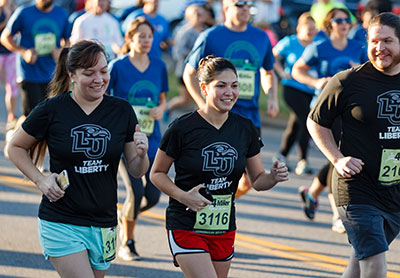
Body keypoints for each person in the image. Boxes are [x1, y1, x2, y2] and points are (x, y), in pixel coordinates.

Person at [6, 40, 149, 277]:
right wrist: (40, 179)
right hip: (62, 221)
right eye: (89, 73)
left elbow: (137, 170)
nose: (99, 79)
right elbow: (15, 147)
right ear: (72, 74)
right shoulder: (53, 109)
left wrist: (142, 154)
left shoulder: (122, 110)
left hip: (104, 223)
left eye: (103, 71)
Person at [150, 55, 288, 278]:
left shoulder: (245, 128)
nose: (229, 92)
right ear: (204, 88)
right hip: (185, 223)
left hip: (223, 227)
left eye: (234, 86)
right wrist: (183, 196)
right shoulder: (182, 128)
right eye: (221, 86)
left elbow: (258, 180)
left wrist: (272, 176)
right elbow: (157, 173)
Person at [306, 12, 400, 278]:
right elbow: (315, 122)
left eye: (388, 41)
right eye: (374, 41)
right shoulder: (348, 81)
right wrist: (337, 158)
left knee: (357, 267)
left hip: (393, 191)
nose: (379, 48)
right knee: (375, 266)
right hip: (356, 187)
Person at [183, 0, 279, 199]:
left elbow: (268, 72)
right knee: (213, 174)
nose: (245, 8)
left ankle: (217, 204)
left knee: (250, 179)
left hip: (249, 117)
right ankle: (204, 205)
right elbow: (189, 73)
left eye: (248, 5)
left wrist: (272, 96)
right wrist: (203, 105)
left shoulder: (260, 37)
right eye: (239, 4)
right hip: (217, 118)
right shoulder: (210, 36)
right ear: (226, 8)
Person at [292, 7, 369, 232]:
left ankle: (312, 192)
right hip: (325, 110)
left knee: (338, 156)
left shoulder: (359, 47)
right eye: (339, 20)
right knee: (338, 156)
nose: (344, 23)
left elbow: (373, 72)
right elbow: (298, 70)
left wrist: (361, 71)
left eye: (347, 20)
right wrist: (315, 82)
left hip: (352, 110)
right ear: (329, 24)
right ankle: (337, 215)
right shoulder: (319, 47)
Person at [107, 17, 168, 261]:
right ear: (129, 38)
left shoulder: (159, 66)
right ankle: (127, 243)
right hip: (125, 142)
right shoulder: (118, 67)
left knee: (152, 196)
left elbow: (162, 97)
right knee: (135, 190)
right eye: (141, 36)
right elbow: (104, 97)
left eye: (149, 36)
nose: (145, 41)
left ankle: (127, 217)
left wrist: (161, 109)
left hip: (152, 138)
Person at [0, 0, 71, 117]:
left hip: (53, 74)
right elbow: (5, 37)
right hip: (29, 73)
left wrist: (61, 52)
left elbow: (68, 40)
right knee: (31, 117)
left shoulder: (62, 14)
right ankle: (16, 132)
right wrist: (23, 52)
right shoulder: (24, 12)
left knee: (52, 115)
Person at [272, 12, 318, 175]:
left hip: (310, 90)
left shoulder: (317, 44)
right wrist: (281, 72)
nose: (312, 32)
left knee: (296, 124)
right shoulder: (289, 42)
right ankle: (303, 161)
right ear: (299, 28)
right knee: (306, 120)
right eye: (308, 29)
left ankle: (281, 156)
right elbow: (272, 56)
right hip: (291, 88)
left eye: (314, 29)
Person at [168, 4, 206, 114]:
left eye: (200, 14)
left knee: (200, 99)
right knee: (186, 100)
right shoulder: (184, 32)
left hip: (202, 72)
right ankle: (168, 108)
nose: (199, 16)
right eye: (196, 14)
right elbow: (177, 52)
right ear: (188, 16)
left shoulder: (206, 31)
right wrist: (192, 54)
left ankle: (201, 121)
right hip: (185, 71)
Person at [0, 0, 18, 130]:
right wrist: (7, 20)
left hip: (11, 53)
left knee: (12, 86)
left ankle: (11, 116)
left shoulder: (15, 9)